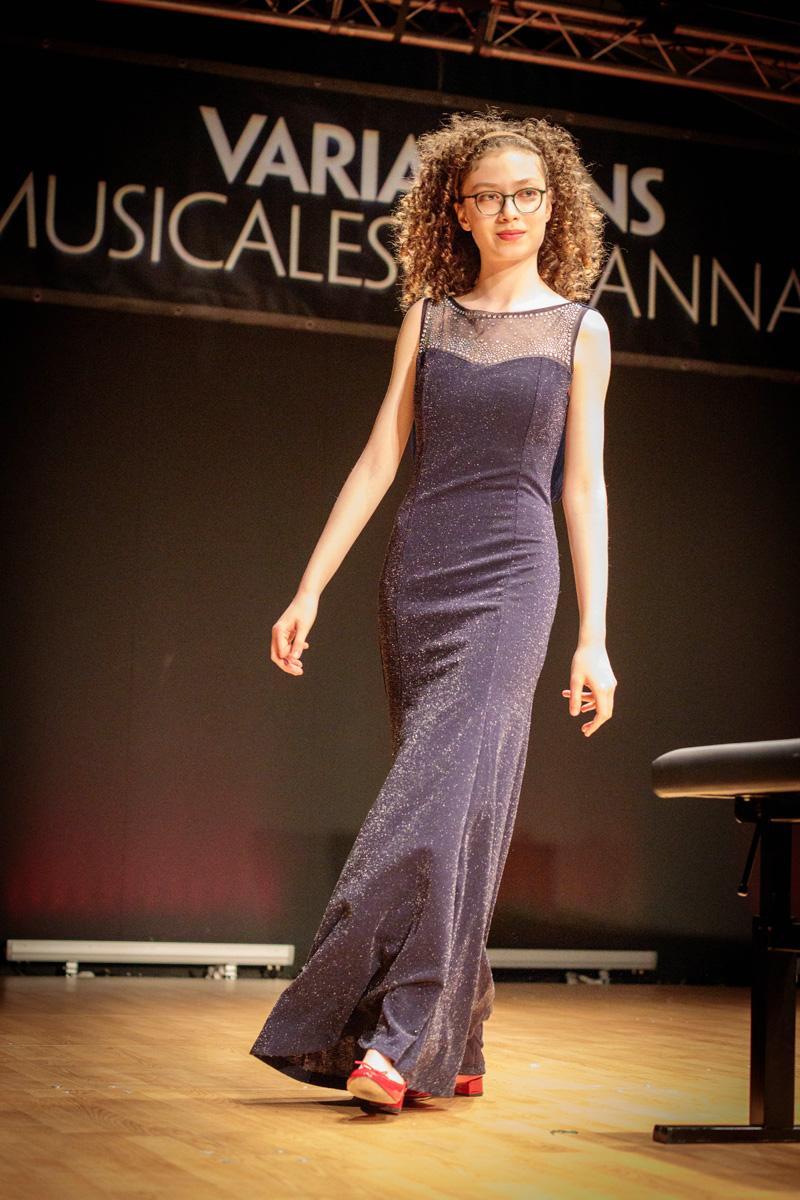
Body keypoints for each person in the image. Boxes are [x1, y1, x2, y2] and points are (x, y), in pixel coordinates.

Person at [250, 109, 617, 1114]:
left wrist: (592, 636)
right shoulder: (428, 318)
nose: (510, 210)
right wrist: (310, 584)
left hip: (514, 577)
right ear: (456, 209)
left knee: (437, 800)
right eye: (488, 195)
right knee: (460, 807)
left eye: (527, 193)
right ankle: (461, 1035)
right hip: (420, 574)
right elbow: (380, 457)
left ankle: (394, 1038)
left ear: (554, 205)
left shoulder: (580, 331)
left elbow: (582, 486)